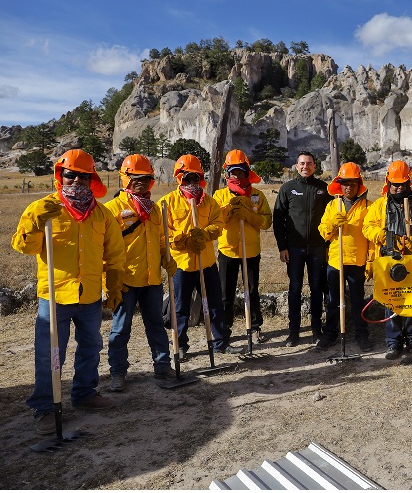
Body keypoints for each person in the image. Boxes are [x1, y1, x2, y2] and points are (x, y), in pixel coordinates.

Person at [12, 150, 124, 434]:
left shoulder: (102, 214)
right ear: (59, 176)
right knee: (49, 355)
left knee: (91, 348)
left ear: (91, 179)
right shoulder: (43, 208)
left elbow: (114, 254)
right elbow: (22, 247)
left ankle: (85, 394)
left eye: (82, 176)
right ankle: (45, 408)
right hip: (55, 295)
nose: (76, 180)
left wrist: (113, 285)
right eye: (70, 175)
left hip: (89, 297)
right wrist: (36, 224)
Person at [158, 154, 243, 359]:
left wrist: (205, 233)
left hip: (206, 262)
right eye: (187, 178)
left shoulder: (209, 202)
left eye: (196, 178)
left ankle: (221, 341)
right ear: (179, 178)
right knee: (180, 307)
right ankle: (181, 344)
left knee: (214, 303)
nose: (192, 183)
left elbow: (218, 224)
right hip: (181, 264)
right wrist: (182, 239)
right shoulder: (166, 203)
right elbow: (162, 232)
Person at [105, 154, 178, 392]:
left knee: (156, 324)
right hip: (125, 279)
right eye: (135, 178)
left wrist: (167, 258)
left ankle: (162, 365)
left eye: (146, 178)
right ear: (125, 178)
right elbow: (105, 247)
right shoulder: (112, 209)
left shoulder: (155, 210)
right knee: (120, 328)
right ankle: (118, 373)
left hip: (151, 279)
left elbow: (159, 241)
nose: (141, 183)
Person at [362, 160, 412, 360]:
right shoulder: (379, 205)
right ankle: (393, 343)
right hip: (388, 260)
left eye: (402, 183)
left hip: (411, 261)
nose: (399, 187)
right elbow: (367, 227)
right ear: (388, 183)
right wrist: (384, 237)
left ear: (409, 183)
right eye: (395, 183)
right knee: (391, 300)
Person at [273, 151, 332, 346]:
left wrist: (327, 246)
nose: (305, 166)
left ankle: (316, 329)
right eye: (302, 163)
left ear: (315, 166)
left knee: (317, 289)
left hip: (317, 248)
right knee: (295, 289)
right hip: (294, 248)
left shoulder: (323, 189)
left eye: (309, 163)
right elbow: (278, 219)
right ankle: (294, 332)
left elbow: (331, 218)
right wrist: (283, 247)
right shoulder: (287, 188)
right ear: (296, 166)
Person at [213, 150, 272, 342]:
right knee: (225, 293)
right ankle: (225, 329)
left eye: (240, 172)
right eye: (233, 172)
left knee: (252, 291)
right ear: (227, 174)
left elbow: (266, 222)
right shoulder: (219, 195)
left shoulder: (257, 195)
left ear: (247, 172)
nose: (236, 176)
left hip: (251, 250)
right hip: (228, 250)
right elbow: (213, 221)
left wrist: (249, 215)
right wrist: (228, 211)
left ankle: (254, 327)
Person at [316, 163, 373, 352]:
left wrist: (371, 260)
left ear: (359, 185)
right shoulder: (333, 205)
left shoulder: (368, 206)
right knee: (333, 300)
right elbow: (323, 231)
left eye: (353, 184)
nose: (349, 187)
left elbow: (372, 238)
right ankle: (331, 333)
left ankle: (361, 334)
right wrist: (333, 224)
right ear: (339, 185)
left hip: (357, 261)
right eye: (345, 183)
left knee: (358, 301)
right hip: (336, 261)